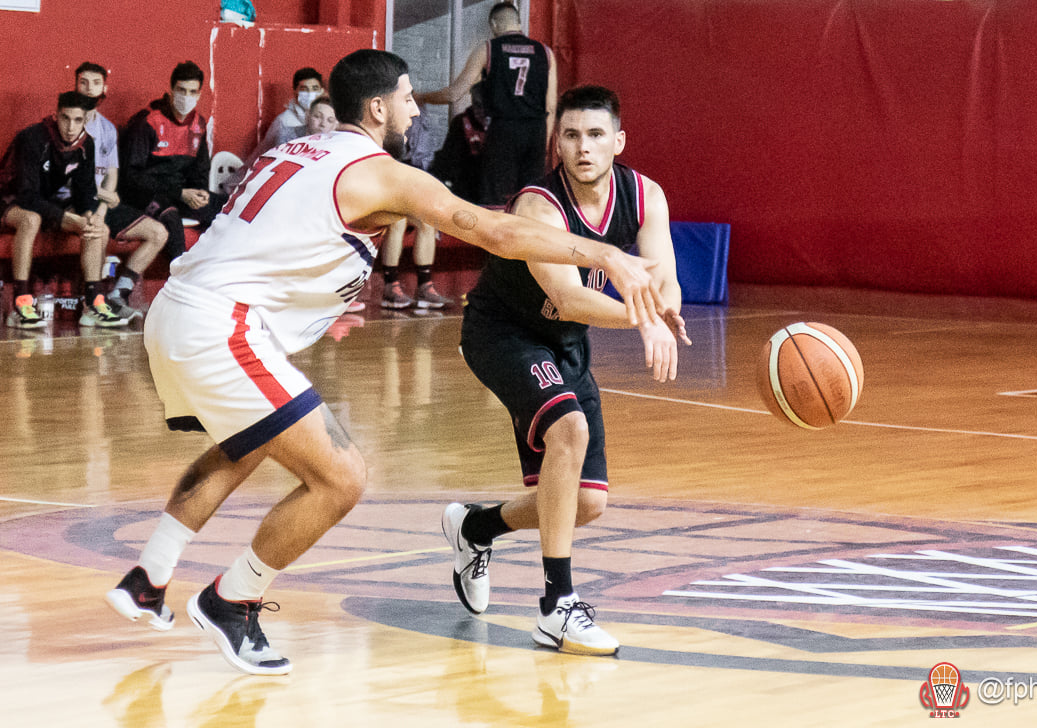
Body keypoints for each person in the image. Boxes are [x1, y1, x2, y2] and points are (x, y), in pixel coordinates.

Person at [103, 50, 665, 677]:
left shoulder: (295, 151)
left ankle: (149, 577)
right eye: (406, 98)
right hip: (221, 325)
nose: (414, 110)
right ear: (377, 108)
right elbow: (495, 233)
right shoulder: (379, 172)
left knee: (248, 444)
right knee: (341, 478)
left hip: (175, 310)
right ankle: (232, 600)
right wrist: (605, 256)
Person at [446, 85, 690, 656]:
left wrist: (663, 311)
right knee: (568, 429)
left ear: (618, 142)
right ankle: (557, 606)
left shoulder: (645, 195)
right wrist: (643, 321)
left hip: (564, 341)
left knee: (587, 503)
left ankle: (475, 528)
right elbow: (570, 297)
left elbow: (664, 278)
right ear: (556, 142)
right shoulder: (539, 207)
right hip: (504, 332)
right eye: (573, 135)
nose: (584, 147)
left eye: (596, 135)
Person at [0, 91, 126, 329]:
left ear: (85, 121)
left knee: (98, 228)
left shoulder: (86, 144)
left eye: (77, 120)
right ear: (56, 115)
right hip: (10, 199)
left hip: (44, 203)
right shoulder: (33, 138)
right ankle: (20, 304)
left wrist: (88, 217)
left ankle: (93, 304)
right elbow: (26, 195)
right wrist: (66, 218)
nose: (70, 127)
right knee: (31, 219)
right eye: (65, 118)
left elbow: (85, 194)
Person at [416, 2, 556, 206]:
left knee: (496, 202)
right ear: (518, 23)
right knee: (531, 201)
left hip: (503, 131)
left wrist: (422, 97)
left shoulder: (488, 49)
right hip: (536, 132)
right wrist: (544, 144)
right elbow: (551, 107)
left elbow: (454, 94)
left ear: (494, 24)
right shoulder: (546, 53)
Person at [75, 62, 169, 321]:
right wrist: (104, 200)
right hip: (77, 201)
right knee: (99, 230)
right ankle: (91, 306)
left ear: (104, 89)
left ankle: (118, 295)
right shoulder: (69, 123)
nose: (89, 89)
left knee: (158, 233)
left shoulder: (106, 128)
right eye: (83, 82)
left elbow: (112, 174)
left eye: (95, 83)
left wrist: (106, 201)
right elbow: (76, 183)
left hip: (103, 201)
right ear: (75, 86)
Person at [120, 61, 225, 261]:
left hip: (180, 194)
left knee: (228, 208)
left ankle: (216, 270)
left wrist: (200, 192)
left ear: (199, 94)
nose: (186, 97)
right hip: (144, 195)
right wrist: (179, 193)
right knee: (171, 217)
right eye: (181, 90)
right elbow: (131, 176)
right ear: (171, 90)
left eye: (192, 92)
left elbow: (200, 171)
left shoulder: (198, 125)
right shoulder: (147, 122)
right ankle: (177, 275)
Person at [378, 112, 453, 310]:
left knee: (427, 220)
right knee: (398, 220)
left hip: (403, 192)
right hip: (377, 190)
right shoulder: (379, 124)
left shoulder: (417, 124)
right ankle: (390, 286)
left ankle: (424, 287)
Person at [243, 68, 326, 166]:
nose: (310, 94)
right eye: (304, 89)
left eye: (315, 89)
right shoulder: (284, 121)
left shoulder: (328, 120)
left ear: (322, 91)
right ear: (295, 92)